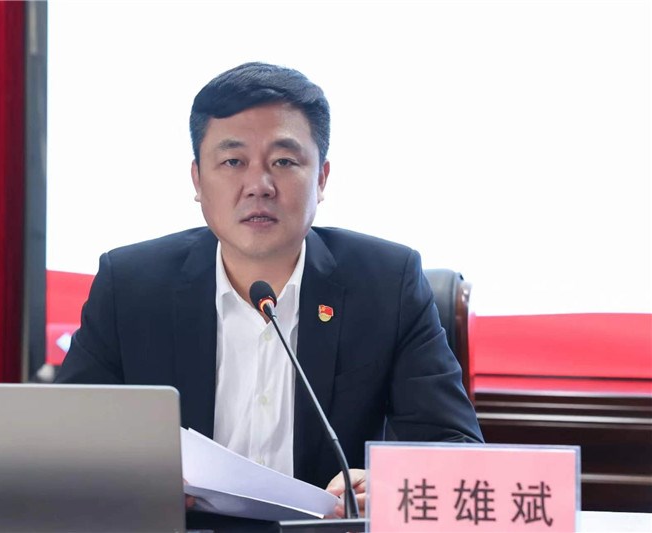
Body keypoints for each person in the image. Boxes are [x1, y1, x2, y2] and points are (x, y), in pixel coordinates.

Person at [55, 62, 483, 517]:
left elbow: (456, 450)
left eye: (283, 162)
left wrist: (387, 487)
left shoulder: (386, 283)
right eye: (233, 162)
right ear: (198, 180)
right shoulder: (131, 286)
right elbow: (66, 441)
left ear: (321, 179)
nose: (258, 186)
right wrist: (134, 482)